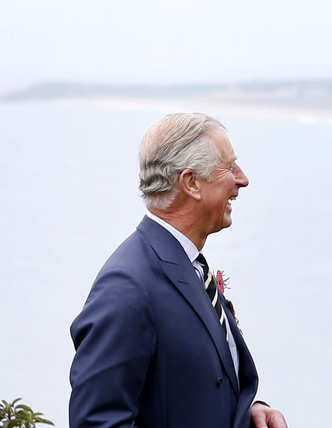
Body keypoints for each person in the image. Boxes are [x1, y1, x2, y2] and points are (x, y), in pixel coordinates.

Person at [69, 113, 287, 428]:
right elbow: (98, 422)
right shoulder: (126, 288)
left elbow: (197, 384)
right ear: (191, 183)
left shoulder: (189, 265)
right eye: (228, 167)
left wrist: (249, 412)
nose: (242, 179)